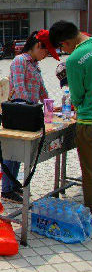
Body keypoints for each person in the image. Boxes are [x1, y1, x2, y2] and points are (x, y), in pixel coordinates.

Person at [0, 30, 59, 203]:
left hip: (30, 112)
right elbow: (19, 89)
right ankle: (6, 189)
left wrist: (49, 106)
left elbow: (41, 89)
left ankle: (13, 183)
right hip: (19, 112)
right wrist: (33, 108)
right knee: (11, 151)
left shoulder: (34, 64)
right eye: (46, 51)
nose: (45, 55)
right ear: (38, 45)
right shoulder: (20, 61)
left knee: (21, 151)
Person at [49, 20, 92, 210]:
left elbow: (77, 97)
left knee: (89, 170)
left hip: (88, 122)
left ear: (65, 43)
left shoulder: (75, 59)